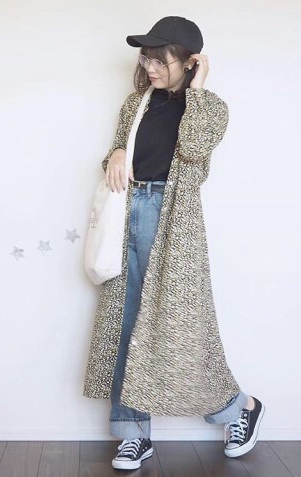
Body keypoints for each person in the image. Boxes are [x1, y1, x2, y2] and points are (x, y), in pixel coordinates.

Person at [97, 16, 265, 471]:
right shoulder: (136, 104)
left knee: (181, 330)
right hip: (128, 211)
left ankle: (240, 409)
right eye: (146, 58)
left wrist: (198, 88)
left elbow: (192, 149)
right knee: (128, 324)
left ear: (189, 62)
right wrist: (115, 152)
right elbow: (118, 157)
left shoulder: (209, 108)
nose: (150, 67)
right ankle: (134, 435)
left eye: (161, 59)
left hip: (172, 220)